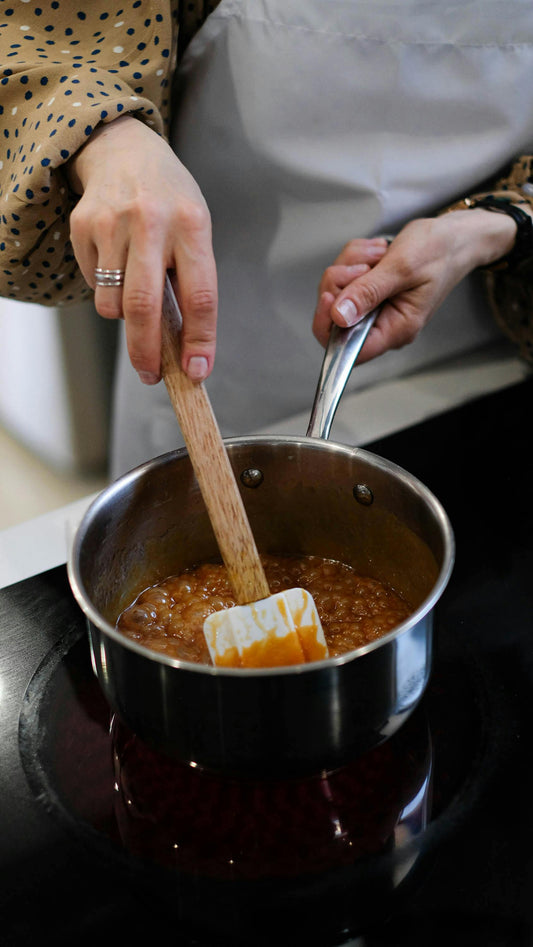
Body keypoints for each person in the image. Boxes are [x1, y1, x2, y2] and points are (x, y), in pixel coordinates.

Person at [1, 1, 533, 477]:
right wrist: (107, 139)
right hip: (216, 370)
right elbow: (29, 32)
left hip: (489, 351)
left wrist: (488, 226)